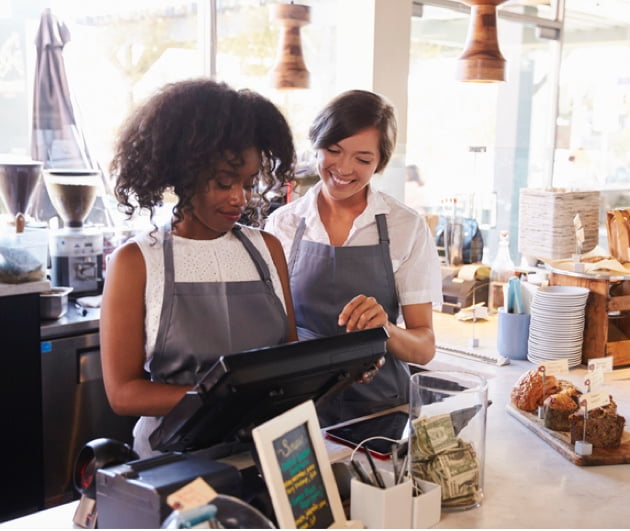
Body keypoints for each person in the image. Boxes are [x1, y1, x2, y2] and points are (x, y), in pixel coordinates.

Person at [100, 79, 298, 458]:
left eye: (248, 183)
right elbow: (123, 393)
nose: (240, 198)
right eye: (225, 183)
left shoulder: (267, 249)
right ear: (185, 174)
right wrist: (221, 400)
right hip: (172, 461)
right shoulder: (137, 262)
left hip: (264, 453)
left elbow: (287, 358)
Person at [265, 89, 443, 426]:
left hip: (382, 408)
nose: (344, 168)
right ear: (316, 145)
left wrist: (385, 330)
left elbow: (424, 347)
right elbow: (271, 333)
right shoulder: (283, 224)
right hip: (300, 408)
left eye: (362, 159)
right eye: (333, 151)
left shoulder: (406, 226)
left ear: (380, 163)